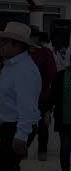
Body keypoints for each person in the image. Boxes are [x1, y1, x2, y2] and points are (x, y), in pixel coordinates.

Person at [0, 22, 42, 171]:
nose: (0, 46)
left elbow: (27, 106)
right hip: (8, 126)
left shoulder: (25, 69)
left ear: (17, 45)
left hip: (17, 127)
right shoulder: (11, 65)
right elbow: (6, 97)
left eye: (4, 42)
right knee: (3, 170)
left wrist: (21, 136)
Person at [27, 28, 57, 161]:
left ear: (38, 38)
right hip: (26, 95)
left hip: (43, 95)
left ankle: (42, 151)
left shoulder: (46, 52)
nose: (33, 39)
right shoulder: (24, 53)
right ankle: (23, 148)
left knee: (43, 126)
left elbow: (52, 75)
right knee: (27, 124)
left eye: (34, 37)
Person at [51, 62, 71, 171]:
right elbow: (53, 95)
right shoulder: (60, 76)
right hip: (64, 120)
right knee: (65, 147)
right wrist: (48, 110)